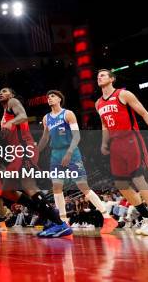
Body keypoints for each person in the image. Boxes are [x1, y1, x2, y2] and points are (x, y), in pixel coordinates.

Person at [37, 90, 118, 233]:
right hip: (55, 154)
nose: (49, 98)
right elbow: (45, 138)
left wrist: (69, 153)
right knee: (56, 188)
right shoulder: (46, 118)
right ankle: (63, 221)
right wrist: (36, 151)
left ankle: (108, 218)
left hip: (71, 152)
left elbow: (77, 136)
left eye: (53, 96)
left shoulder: (68, 114)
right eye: (48, 97)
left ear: (60, 99)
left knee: (83, 186)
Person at [0, 87, 72, 238]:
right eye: (0, 92)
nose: (1, 93)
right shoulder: (4, 114)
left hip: (25, 150)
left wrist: (11, 123)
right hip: (16, 153)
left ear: (12, 95)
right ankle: (46, 215)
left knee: (29, 186)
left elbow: (23, 116)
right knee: (6, 191)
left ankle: (59, 223)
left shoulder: (13, 102)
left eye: (5, 91)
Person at [95, 69, 148, 236]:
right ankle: (146, 218)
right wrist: (104, 143)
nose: (99, 77)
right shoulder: (98, 103)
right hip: (116, 145)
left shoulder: (123, 94)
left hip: (131, 139)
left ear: (112, 79)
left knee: (138, 178)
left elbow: (144, 113)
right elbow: (104, 125)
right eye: (98, 76)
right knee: (121, 185)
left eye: (103, 75)